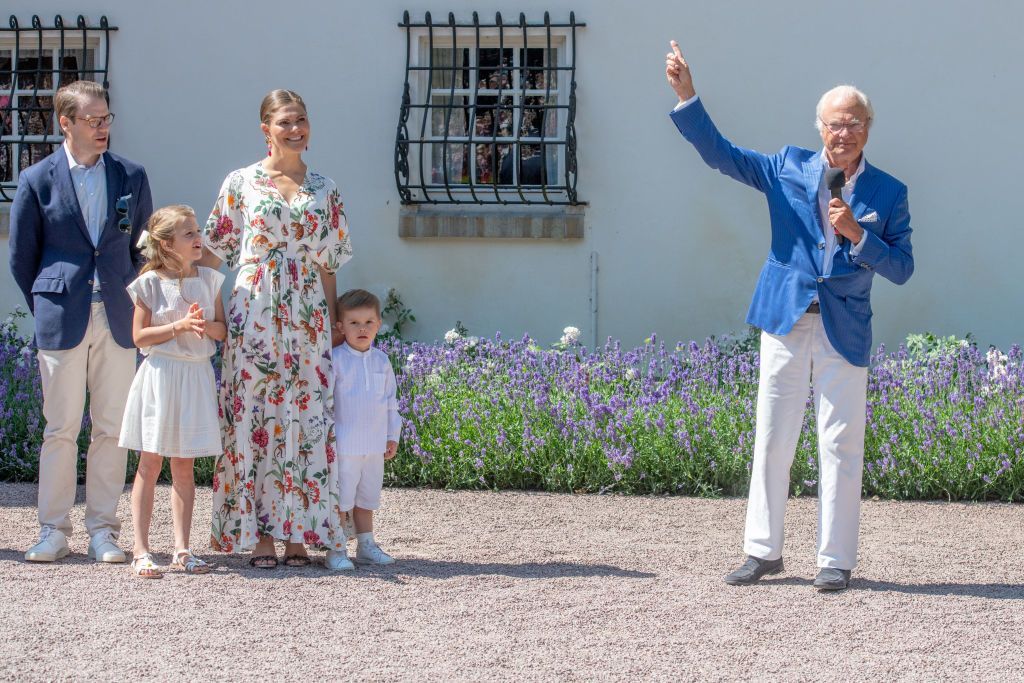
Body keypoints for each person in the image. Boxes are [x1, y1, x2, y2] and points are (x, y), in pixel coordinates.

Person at [665, 41, 914, 591]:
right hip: (785, 317)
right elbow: (721, 154)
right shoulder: (787, 167)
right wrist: (687, 96)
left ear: (867, 129)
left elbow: (901, 267)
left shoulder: (888, 192)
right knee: (773, 436)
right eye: (833, 124)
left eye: (852, 124)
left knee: (841, 442)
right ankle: (763, 552)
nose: (842, 133)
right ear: (819, 127)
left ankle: (835, 561)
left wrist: (859, 235)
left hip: (844, 326)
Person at [203, 89, 353, 568]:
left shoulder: (326, 188)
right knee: (255, 418)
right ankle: (261, 534)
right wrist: (206, 312)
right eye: (285, 122)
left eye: (302, 120)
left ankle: (300, 535)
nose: (296, 130)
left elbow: (330, 262)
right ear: (265, 129)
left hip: (307, 312)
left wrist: (332, 320)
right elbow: (214, 253)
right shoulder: (240, 182)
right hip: (255, 310)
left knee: (305, 420)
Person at [9, 80, 153, 564]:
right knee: (61, 427)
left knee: (111, 427)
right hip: (62, 313)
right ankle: (53, 529)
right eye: (93, 120)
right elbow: (22, 258)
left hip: (117, 313)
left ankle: (102, 531)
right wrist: (49, 304)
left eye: (107, 118)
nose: (103, 127)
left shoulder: (131, 175)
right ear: (65, 123)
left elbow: (143, 252)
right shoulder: (37, 179)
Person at [118, 205, 226, 578]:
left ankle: (182, 549)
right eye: (189, 234)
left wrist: (205, 326)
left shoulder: (210, 280)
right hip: (161, 376)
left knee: (185, 465)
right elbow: (139, 336)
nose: (199, 239)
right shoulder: (149, 284)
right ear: (165, 244)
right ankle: (141, 549)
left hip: (195, 377)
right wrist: (179, 326)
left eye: (198, 231)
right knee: (150, 463)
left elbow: (222, 330)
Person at [326, 289, 401, 571]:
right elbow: (327, 403)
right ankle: (336, 548)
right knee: (342, 499)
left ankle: (366, 544)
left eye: (368, 322)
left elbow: (391, 402)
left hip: (373, 446)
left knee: (366, 497)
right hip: (345, 445)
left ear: (378, 325)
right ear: (340, 326)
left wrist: (392, 435)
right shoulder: (335, 359)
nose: (362, 329)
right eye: (354, 322)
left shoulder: (382, 361)